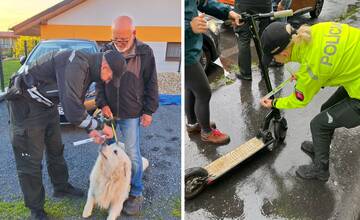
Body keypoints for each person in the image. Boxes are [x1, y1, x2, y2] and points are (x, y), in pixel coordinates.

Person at [6, 49, 126, 220]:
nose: (108, 82)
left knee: (55, 149)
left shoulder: (89, 70)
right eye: (111, 77)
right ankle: (36, 209)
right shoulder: (76, 64)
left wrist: (90, 130)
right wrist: (99, 126)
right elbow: (72, 111)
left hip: (48, 106)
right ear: (105, 66)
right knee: (30, 162)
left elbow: (76, 104)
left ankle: (60, 187)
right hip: (26, 106)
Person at [259, 21, 360, 181]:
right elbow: (327, 65)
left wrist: (273, 103)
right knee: (327, 107)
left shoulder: (312, 66)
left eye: (273, 58)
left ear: (284, 54)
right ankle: (322, 146)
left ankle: (321, 170)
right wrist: (302, 75)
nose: (275, 61)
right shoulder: (312, 32)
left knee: (318, 124)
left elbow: (299, 100)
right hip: (355, 76)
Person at [95, 15, 159, 215]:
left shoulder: (145, 52)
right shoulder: (105, 51)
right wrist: (102, 104)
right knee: (107, 151)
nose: (119, 44)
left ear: (134, 33)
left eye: (124, 39)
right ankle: (112, 187)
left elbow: (152, 83)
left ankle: (136, 191)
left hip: (132, 113)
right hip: (109, 113)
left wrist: (149, 111)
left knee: (132, 153)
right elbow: (98, 81)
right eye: (116, 39)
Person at [185, 0, 241, 144]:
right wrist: (188, 27)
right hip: (185, 54)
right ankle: (207, 132)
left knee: (191, 88)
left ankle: (193, 124)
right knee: (204, 92)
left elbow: (202, 2)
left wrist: (228, 12)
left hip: (194, 46)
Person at [234, 0, 272, 80]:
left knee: (244, 38)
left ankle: (245, 73)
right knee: (265, 36)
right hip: (265, 4)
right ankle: (264, 70)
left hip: (244, 4)